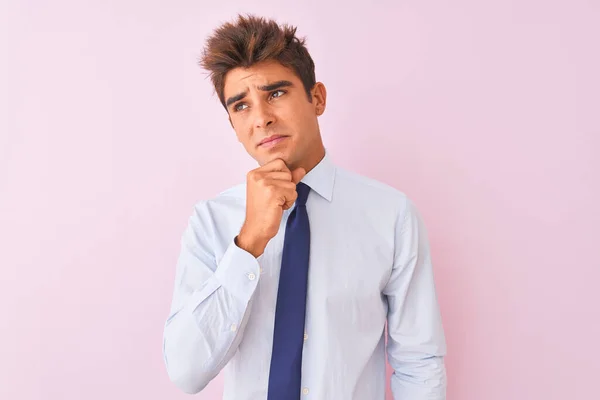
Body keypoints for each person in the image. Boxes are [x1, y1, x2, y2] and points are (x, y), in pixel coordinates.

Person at [162, 13, 447, 400]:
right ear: (232, 124)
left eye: (275, 93)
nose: (261, 118)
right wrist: (248, 244)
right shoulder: (211, 221)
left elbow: (419, 362)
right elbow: (186, 372)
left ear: (317, 98)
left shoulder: (391, 215)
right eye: (241, 106)